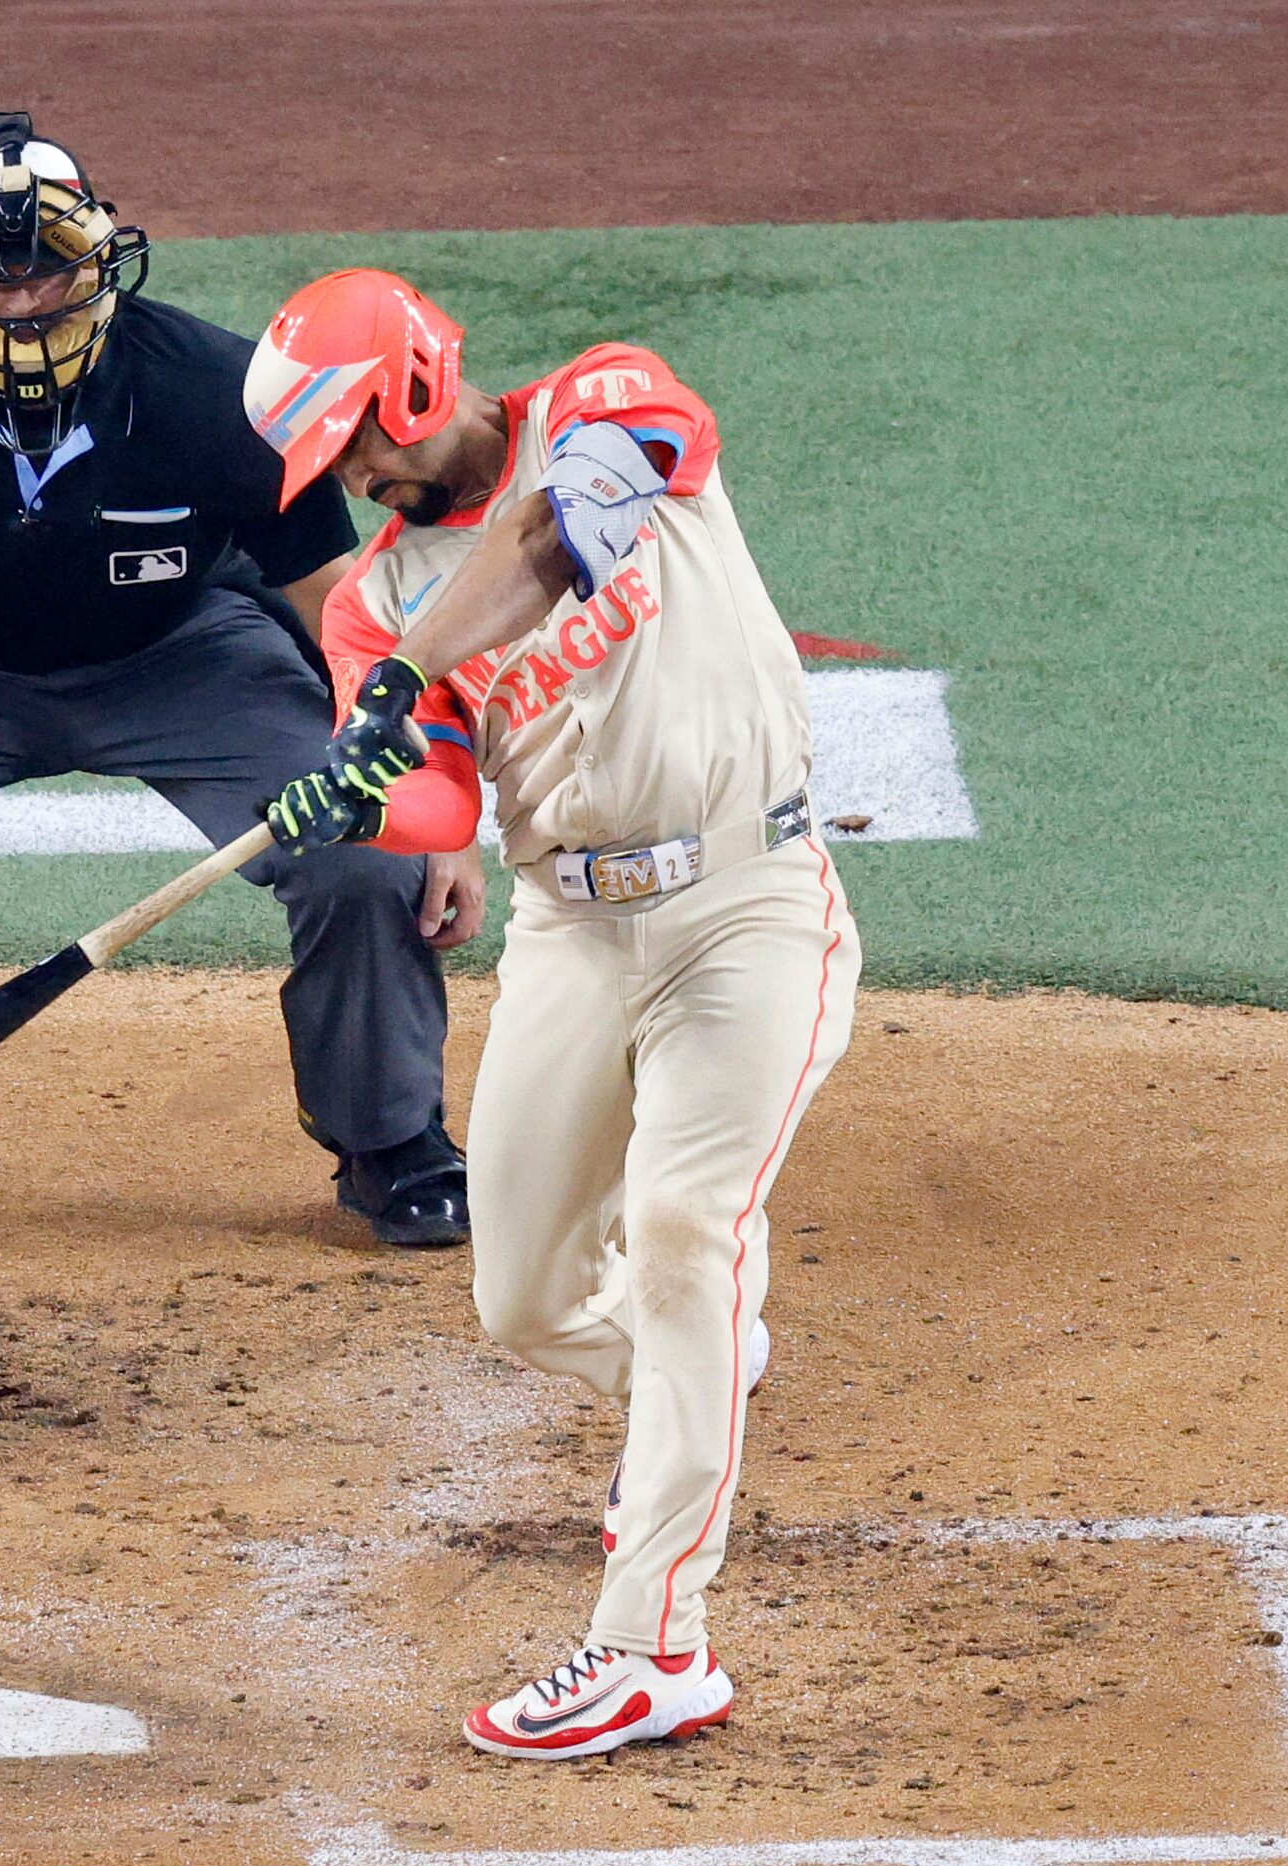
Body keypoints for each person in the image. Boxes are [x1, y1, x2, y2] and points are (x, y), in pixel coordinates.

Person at [249, 271, 860, 1758]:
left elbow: (559, 543)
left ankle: (655, 1643)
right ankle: (697, 1375)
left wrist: (406, 669)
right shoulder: (370, 604)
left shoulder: (607, 403)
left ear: (409, 381)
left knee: (680, 1235)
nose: (351, 480)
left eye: (351, 444)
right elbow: (445, 793)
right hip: (574, 935)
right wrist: (368, 783)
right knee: (518, 1296)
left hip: (746, 905)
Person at [0, 110, 478, 1247]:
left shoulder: (217, 389)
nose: (22, 299)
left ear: (104, 264)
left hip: (181, 654)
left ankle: (390, 1140)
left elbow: (336, 598)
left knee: (365, 849)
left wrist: (422, 793)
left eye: (49, 271)